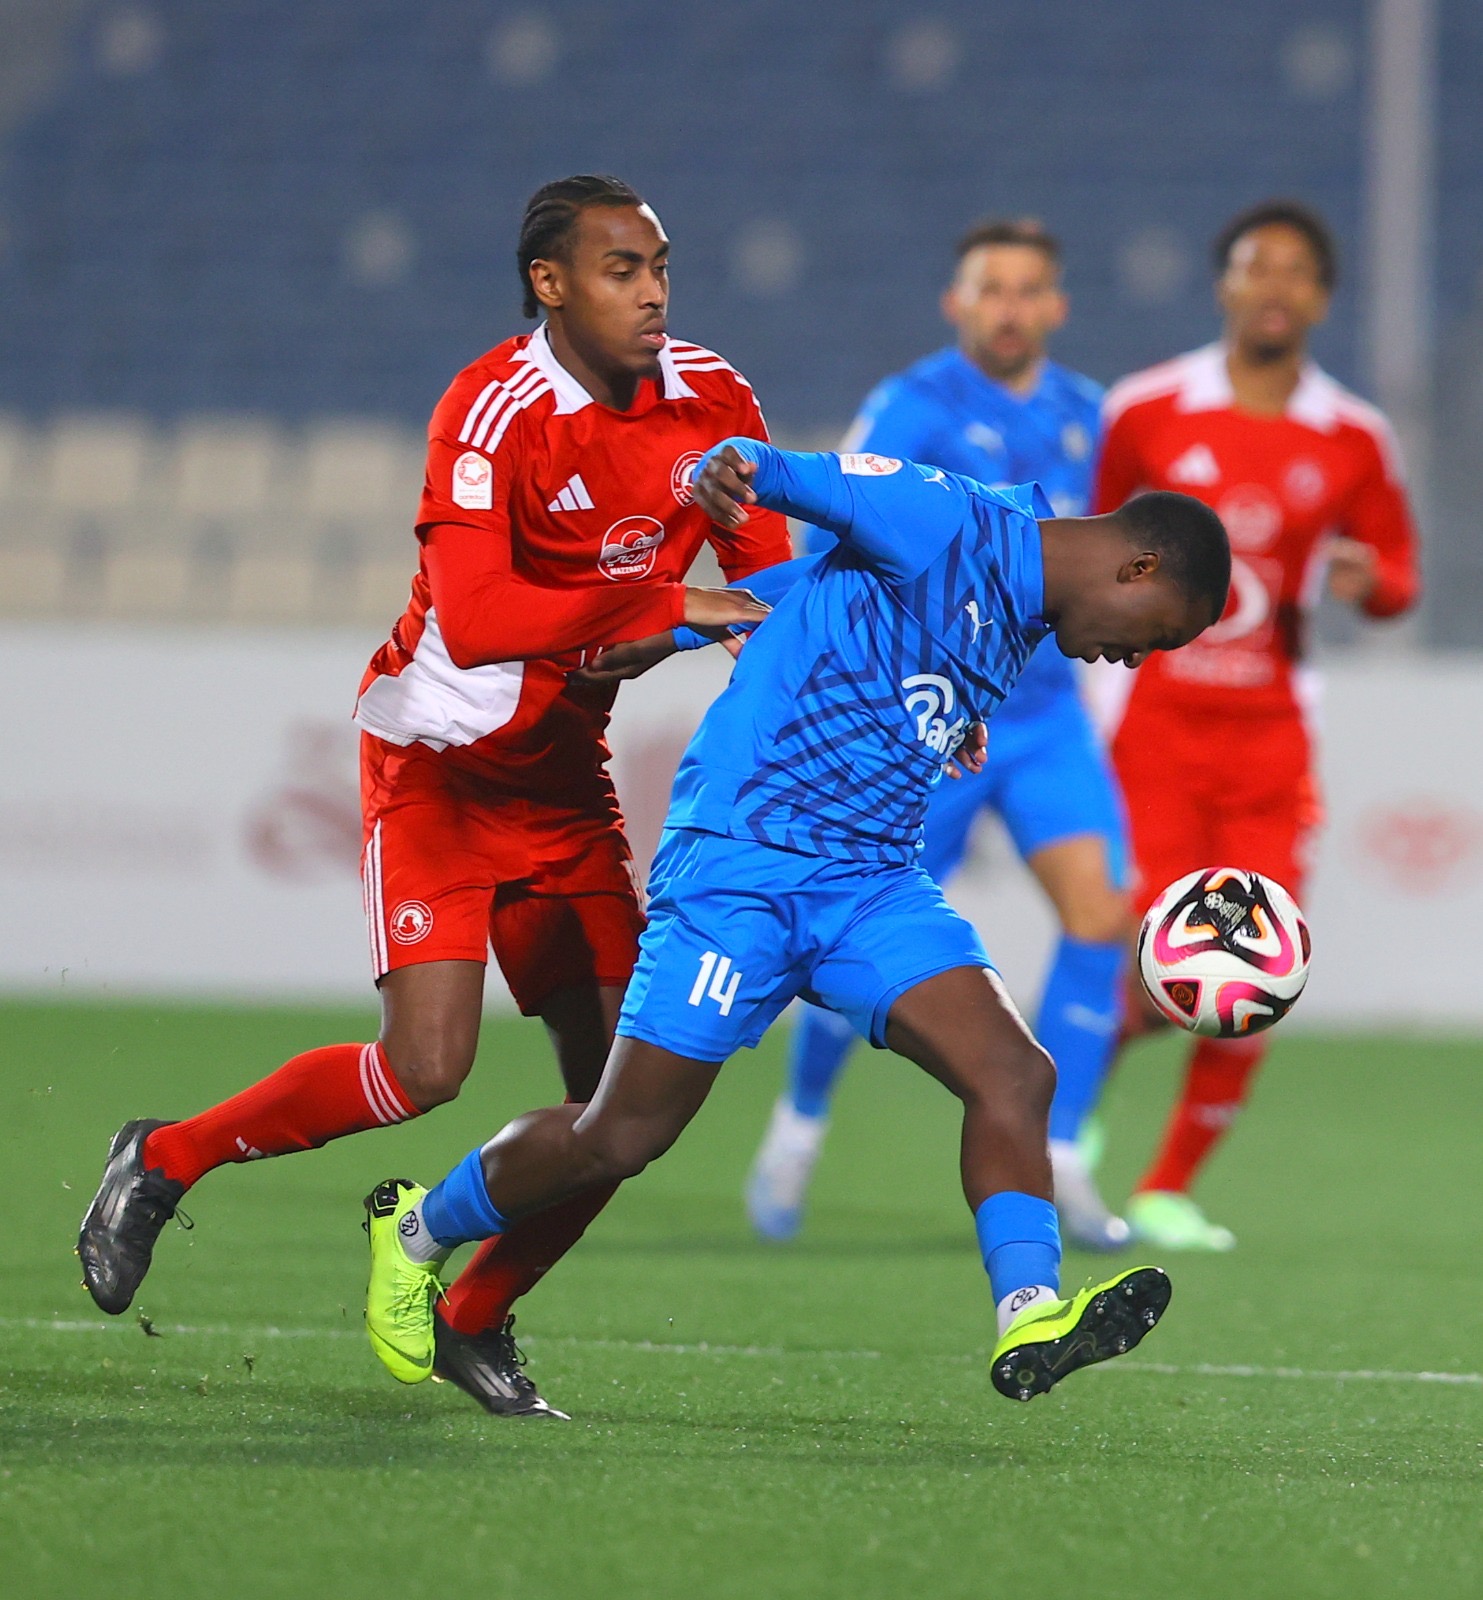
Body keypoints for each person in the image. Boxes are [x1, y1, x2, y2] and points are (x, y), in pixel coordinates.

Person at [76, 174, 788, 1416]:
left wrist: (859, 704)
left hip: (563, 782)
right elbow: (481, 614)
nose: (655, 293)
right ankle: (164, 1157)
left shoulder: (713, 398)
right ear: (549, 283)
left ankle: (474, 1312)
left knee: (631, 1101)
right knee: (426, 1067)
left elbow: (769, 587)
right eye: (621, 269)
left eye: (662, 266)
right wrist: (671, 607)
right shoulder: (491, 406)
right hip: (440, 768)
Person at [359, 436, 1231, 1409]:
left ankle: (1029, 1312)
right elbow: (772, 473)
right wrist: (720, 494)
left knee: (1015, 1074)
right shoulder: (946, 514)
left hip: (871, 883)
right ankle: (416, 1229)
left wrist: (934, 711)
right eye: (1151, 634)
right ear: (1137, 567)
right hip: (742, 863)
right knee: (620, 1136)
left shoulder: (1029, 600)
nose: (1130, 656)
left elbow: (828, 587)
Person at [744, 218, 1132, 1251]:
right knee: (854, 928)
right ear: (955, 303)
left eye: (1027, 290)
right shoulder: (912, 407)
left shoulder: (1090, 415)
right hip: (931, 713)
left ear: (1056, 307)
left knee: (1099, 917)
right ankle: (800, 1123)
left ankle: (1064, 1153)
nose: (1008, 308)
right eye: (989, 288)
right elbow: (834, 534)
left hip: (1044, 717)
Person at [1094, 200, 1421, 1251]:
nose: (1274, 285)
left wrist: (1372, 583)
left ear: (1320, 298)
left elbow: (1399, 574)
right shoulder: (1146, 409)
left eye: (1295, 271)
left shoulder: (1352, 436)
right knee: (1148, 961)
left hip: (1271, 740)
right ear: (1224, 283)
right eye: (1254, 266)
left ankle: (1165, 1188)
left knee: (1259, 964)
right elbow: (1083, 541)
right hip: (1157, 728)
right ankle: (1068, 1129)